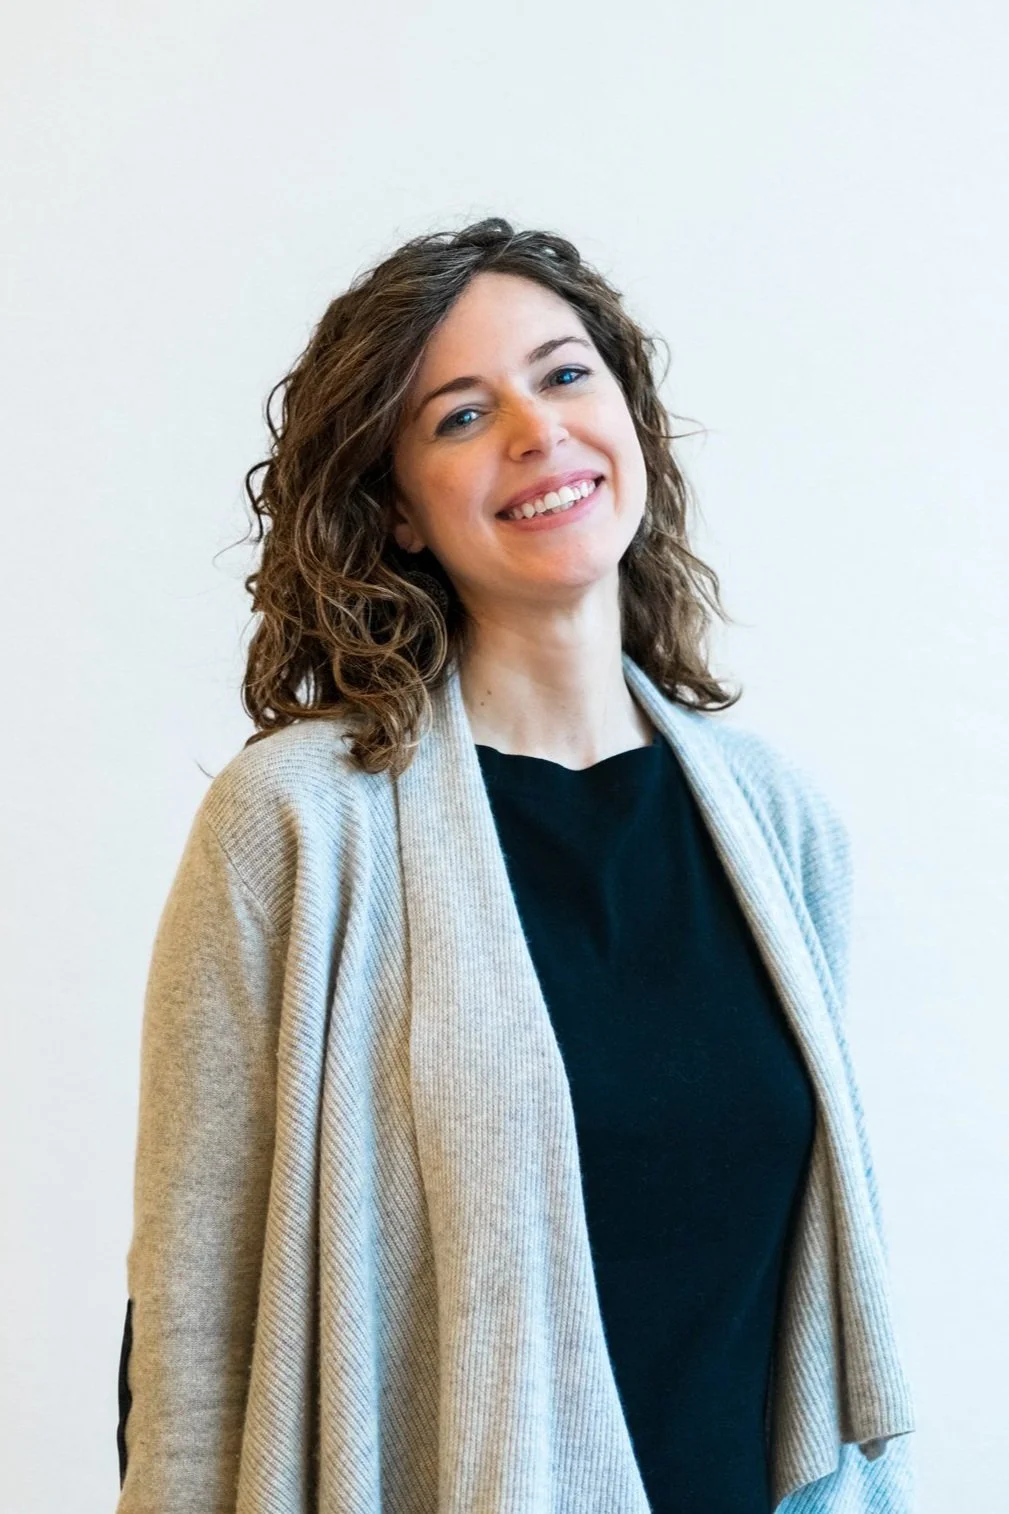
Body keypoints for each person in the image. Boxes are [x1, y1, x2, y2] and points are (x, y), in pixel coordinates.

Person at [115, 217, 916, 1514]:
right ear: (399, 512)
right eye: (458, 417)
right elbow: (194, 1318)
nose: (536, 432)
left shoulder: (779, 821)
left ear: (630, 417)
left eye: (562, 374)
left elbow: (809, 1326)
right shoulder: (298, 828)